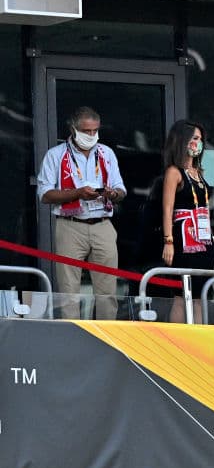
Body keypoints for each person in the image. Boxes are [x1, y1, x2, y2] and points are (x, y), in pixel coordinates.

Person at [37, 106, 127, 319]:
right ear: (73, 129)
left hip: (102, 224)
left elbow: (121, 190)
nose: (92, 135)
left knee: (107, 291)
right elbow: (45, 194)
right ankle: (73, 338)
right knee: (69, 290)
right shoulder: (55, 155)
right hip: (70, 225)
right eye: (86, 131)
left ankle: (108, 338)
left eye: (95, 131)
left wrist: (112, 194)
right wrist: (77, 193)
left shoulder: (106, 153)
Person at [160, 120, 214, 323]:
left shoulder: (200, 172)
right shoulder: (174, 172)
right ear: (182, 140)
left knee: (201, 295)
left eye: (200, 139)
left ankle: (199, 340)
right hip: (182, 238)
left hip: (203, 239)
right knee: (181, 295)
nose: (198, 143)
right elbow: (167, 208)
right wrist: (168, 241)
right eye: (194, 138)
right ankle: (177, 342)